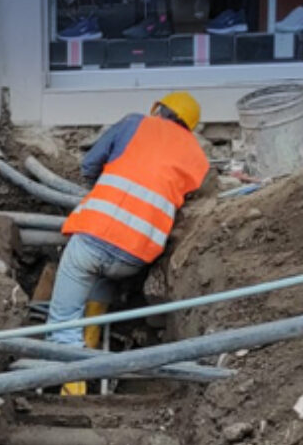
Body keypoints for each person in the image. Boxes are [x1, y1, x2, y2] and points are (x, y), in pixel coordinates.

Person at [46, 92, 211, 367]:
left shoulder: (134, 123)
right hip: (135, 256)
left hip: (93, 238)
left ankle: (72, 382)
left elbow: (89, 165)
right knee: (103, 276)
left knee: (63, 323)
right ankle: (91, 337)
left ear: (159, 110)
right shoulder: (198, 158)